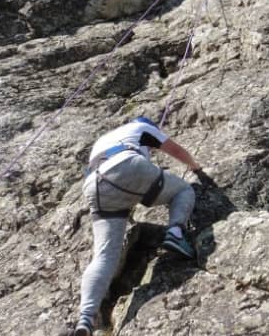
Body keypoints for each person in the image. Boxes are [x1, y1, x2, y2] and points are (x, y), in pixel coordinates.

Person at [71, 116, 207, 335]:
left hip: (94, 185)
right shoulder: (143, 127)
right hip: (125, 166)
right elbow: (176, 151)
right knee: (183, 190)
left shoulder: (103, 139)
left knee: (104, 256)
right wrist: (196, 168)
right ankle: (175, 233)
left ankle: (85, 320)